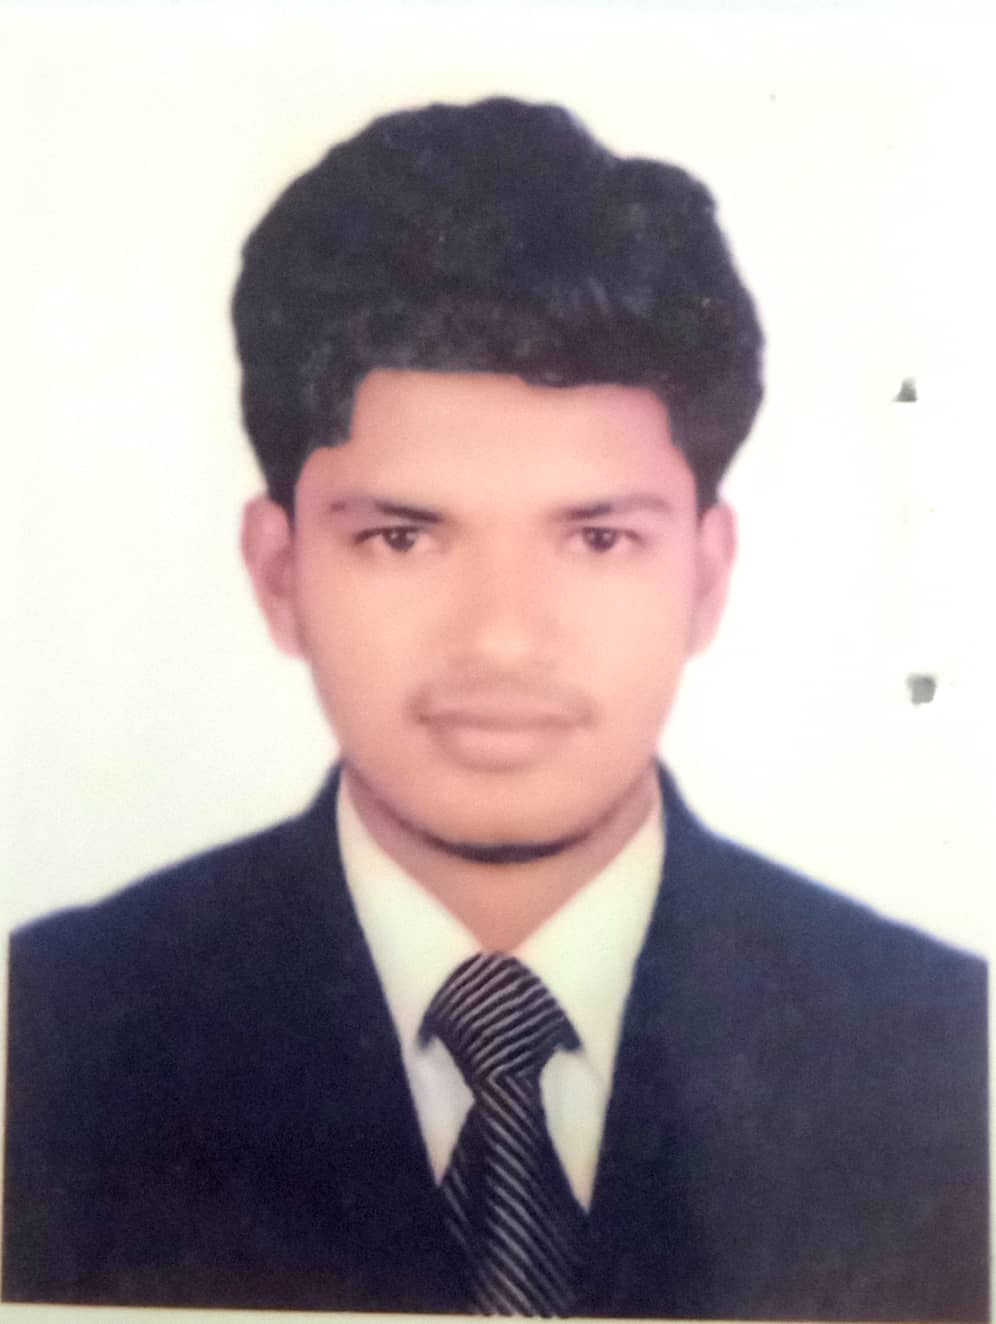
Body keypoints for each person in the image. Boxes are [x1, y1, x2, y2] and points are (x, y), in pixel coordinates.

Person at [3, 97, 987, 1319]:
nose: (503, 636)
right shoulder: (52, 1038)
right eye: (403, 537)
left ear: (706, 577)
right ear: (280, 573)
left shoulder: (946, 1052)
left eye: (598, 537)